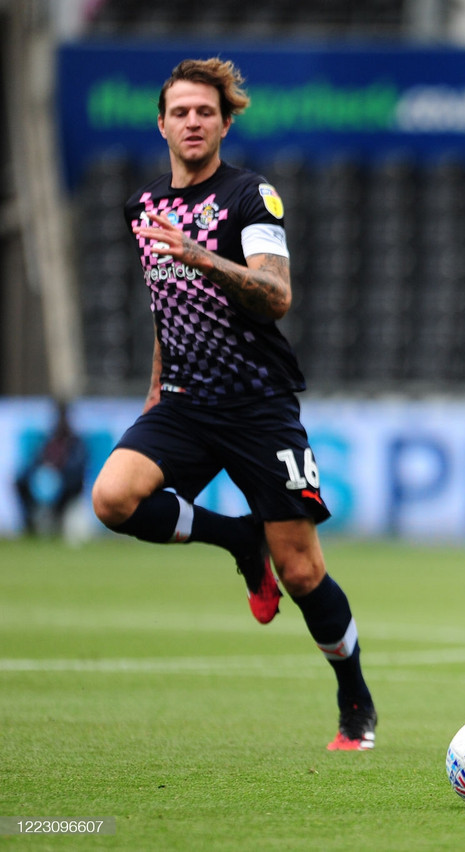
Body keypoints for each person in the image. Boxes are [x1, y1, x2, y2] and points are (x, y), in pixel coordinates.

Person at [90, 58, 376, 751]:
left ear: (224, 122)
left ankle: (355, 702)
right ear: (161, 124)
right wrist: (156, 389)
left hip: (257, 404)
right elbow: (167, 307)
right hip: (185, 402)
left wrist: (200, 255)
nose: (193, 122)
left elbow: (276, 295)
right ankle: (238, 538)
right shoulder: (143, 207)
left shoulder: (252, 198)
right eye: (181, 112)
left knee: (302, 570)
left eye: (205, 112)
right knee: (113, 499)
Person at [14, 400, 88, 537]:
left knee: (63, 486)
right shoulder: (48, 439)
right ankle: (29, 524)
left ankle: (56, 518)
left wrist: (58, 473)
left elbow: (78, 470)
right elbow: (34, 462)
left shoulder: (76, 442)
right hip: (44, 482)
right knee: (21, 482)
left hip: (67, 485)